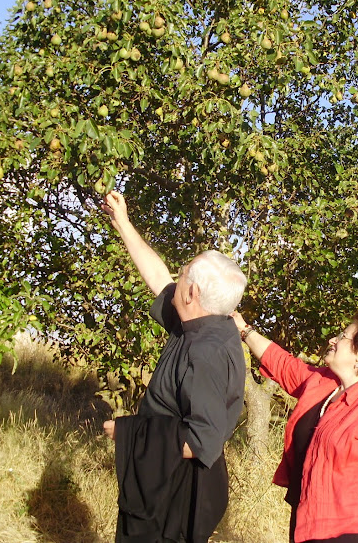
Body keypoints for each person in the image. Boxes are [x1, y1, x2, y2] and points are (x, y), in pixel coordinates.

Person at [100, 190, 247, 543]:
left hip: (178, 494)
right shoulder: (203, 323)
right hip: (167, 480)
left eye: (182, 276)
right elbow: (157, 276)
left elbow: (201, 442)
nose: (175, 280)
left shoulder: (206, 355)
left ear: (191, 293)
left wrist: (130, 436)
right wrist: (123, 223)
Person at [232, 310, 358, 543]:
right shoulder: (323, 385)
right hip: (305, 521)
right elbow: (281, 363)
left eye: (342, 337)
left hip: (346, 531)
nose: (332, 340)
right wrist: (243, 329)